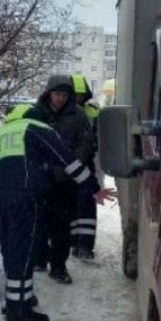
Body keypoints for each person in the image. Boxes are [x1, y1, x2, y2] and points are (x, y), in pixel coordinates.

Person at [0, 104, 105, 321]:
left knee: (11, 249)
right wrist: (93, 187)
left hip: (0, 197)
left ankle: (19, 300)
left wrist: (5, 188)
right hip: (26, 197)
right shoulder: (38, 129)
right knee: (26, 248)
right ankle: (18, 311)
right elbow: (69, 161)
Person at [34, 75, 95, 284]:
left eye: (64, 95)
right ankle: (40, 259)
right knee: (40, 222)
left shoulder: (78, 116)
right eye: (57, 94)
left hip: (66, 181)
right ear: (49, 93)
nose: (60, 98)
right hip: (42, 179)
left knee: (62, 227)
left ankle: (58, 267)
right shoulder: (38, 113)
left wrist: (70, 165)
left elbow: (86, 143)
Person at [70, 74, 101, 261]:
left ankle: (85, 246)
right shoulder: (58, 113)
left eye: (81, 95)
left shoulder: (93, 111)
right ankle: (73, 243)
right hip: (66, 164)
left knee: (87, 206)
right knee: (69, 207)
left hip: (88, 162)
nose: (78, 98)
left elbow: (100, 139)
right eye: (74, 94)